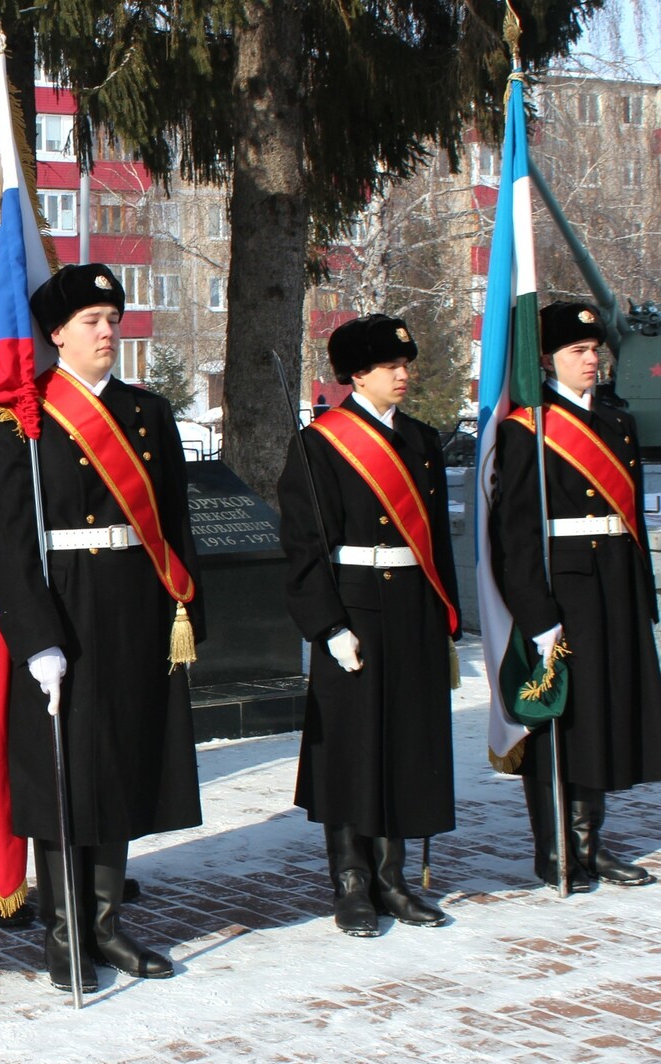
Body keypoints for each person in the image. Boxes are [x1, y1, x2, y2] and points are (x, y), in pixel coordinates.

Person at [0, 263, 204, 991]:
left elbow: (174, 520)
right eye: (90, 322)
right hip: (62, 602)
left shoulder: (149, 412)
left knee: (124, 759)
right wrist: (33, 634)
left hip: (137, 602)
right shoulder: (21, 417)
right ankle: (64, 928)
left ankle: (106, 921)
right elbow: (8, 543)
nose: (107, 332)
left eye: (112, 319)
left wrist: (186, 609)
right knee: (65, 767)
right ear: (56, 333)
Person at [278, 314, 458, 937]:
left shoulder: (423, 440)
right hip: (354, 602)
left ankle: (393, 876)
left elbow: (436, 540)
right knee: (354, 746)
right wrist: (328, 625)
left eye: (406, 365)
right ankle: (351, 881)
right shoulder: (321, 443)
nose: (403, 375)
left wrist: (446, 614)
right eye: (390, 367)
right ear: (357, 374)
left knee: (407, 742)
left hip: (413, 602)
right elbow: (303, 545)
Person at [491, 300, 661, 892]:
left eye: (595, 351)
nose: (591, 360)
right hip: (566, 590)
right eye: (576, 352)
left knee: (606, 715)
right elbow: (512, 534)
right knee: (564, 719)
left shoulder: (618, 422)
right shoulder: (527, 431)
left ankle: (592, 842)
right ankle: (557, 849)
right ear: (547, 358)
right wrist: (537, 615)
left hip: (616, 582)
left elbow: (631, 513)